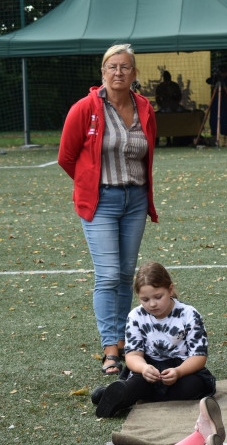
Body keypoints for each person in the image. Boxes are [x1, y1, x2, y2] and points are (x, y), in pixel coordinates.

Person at [58, 44, 158, 376]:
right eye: (112, 67)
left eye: (125, 67)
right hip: (100, 201)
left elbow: (148, 151)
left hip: (135, 201)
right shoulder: (84, 108)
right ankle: (110, 349)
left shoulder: (144, 107)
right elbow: (66, 156)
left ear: (134, 73)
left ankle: (126, 343)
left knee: (126, 275)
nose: (118, 72)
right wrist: (89, 183)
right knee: (108, 274)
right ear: (102, 72)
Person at [91, 262, 216, 418]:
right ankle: (119, 394)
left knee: (192, 386)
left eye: (158, 297)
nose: (152, 304)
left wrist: (178, 372)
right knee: (138, 382)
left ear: (170, 289)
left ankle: (122, 394)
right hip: (149, 368)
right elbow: (133, 355)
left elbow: (199, 356)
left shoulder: (189, 314)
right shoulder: (135, 316)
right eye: (145, 299)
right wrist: (144, 368)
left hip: (182, 368)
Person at [206, 64, 227, 146]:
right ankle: (214, 135)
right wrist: (216, 77)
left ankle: (225, 136)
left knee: (224, 117)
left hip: (225, 101)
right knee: (213, 118)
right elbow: (208, 80)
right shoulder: (216, 79)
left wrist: (225, 84)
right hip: (215, 101)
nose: (223, 74)